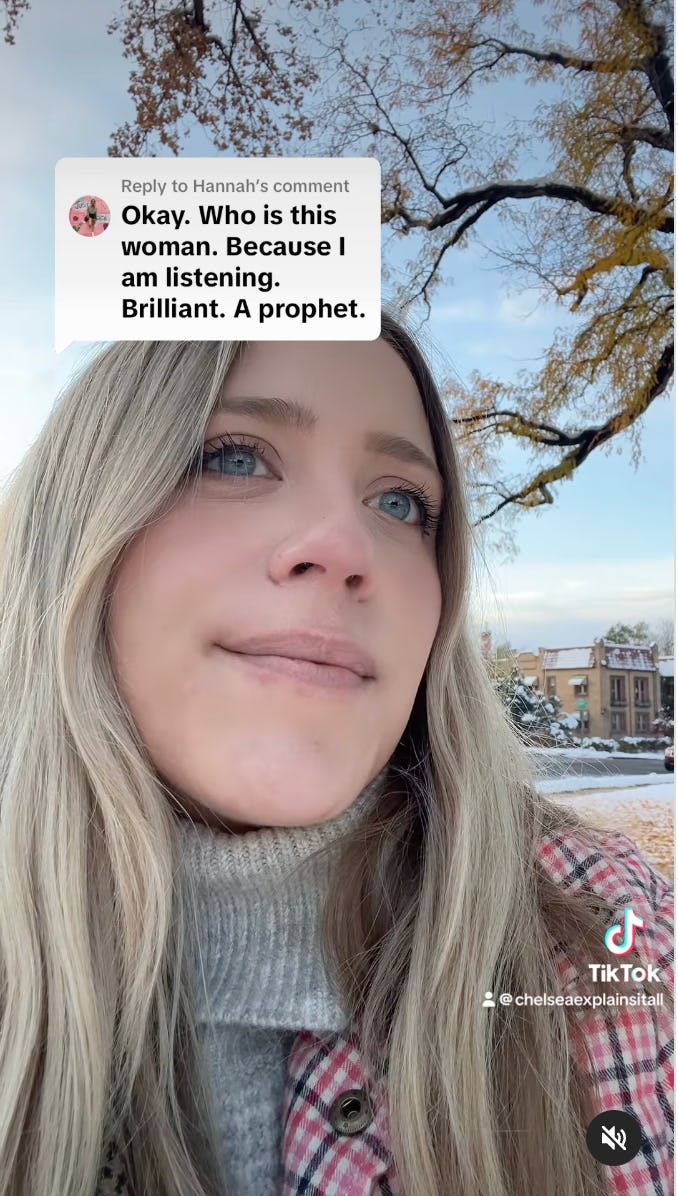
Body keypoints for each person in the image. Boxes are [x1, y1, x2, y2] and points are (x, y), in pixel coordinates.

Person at [0, 314, 672, 1196]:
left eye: (400, 502)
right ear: (78, 520)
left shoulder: (592, 928)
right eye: (237, 457)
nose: (346, 548)